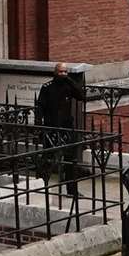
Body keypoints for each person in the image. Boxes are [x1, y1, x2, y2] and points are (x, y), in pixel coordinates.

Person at [35, 62, 85, 196]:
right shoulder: (47, 87)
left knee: (71, 160)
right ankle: (39, 185)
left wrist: (70, 80)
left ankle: (72, 190)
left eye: (65, 72)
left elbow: (81, 95)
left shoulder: (68, 86)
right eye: (61, 72)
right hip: (51, 127)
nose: (63, 74)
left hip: (66, 128)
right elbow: (39, 107)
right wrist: (39, 125)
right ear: (55, 73)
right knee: (48, 158)